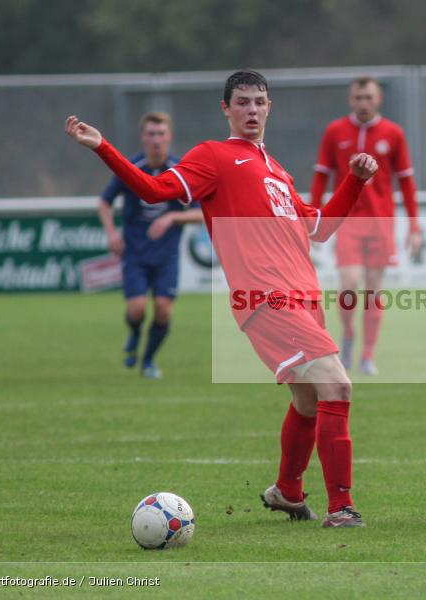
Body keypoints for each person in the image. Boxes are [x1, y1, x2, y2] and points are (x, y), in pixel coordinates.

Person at [66, 70, 378, 528]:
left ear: (270, 107)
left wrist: (354, 182)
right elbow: (154, 191)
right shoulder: (213, 156)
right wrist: (103, 147)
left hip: (303, 299)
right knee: (339, 386)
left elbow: (321, 228)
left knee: (310, 402)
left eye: (259, 102)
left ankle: (288, 492)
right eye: (243, 102)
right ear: (226, 109)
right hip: (266, 298)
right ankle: (341, 508)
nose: (252, 110)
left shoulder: (278, 172)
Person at [310, 76, 422, 375]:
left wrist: (414, 225)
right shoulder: (335, 131)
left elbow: (407, 181)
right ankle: (348, 336)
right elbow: (322, 174)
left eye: (368, 97)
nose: (363, 103)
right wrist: (314, 216)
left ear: (378, 99)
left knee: (373, 290)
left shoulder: (393, 133)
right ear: (350, 100)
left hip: (381, 222)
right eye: (358, 97)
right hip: (347, 221)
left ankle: (368, 355)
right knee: (348, 286)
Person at [97, 112, 203, 379]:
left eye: (161, 134)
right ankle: (134, 334)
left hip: (166, 255)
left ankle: (148, 360)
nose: (156, 140)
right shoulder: (130, 168)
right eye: (151, 134)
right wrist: (111, 234)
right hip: (134, 252)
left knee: (164, 310)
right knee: (137, 308)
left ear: (170, 136)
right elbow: (104, 202)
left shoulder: (181, 171)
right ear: (143, 137)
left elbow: (203, 212)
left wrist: (173, 217)